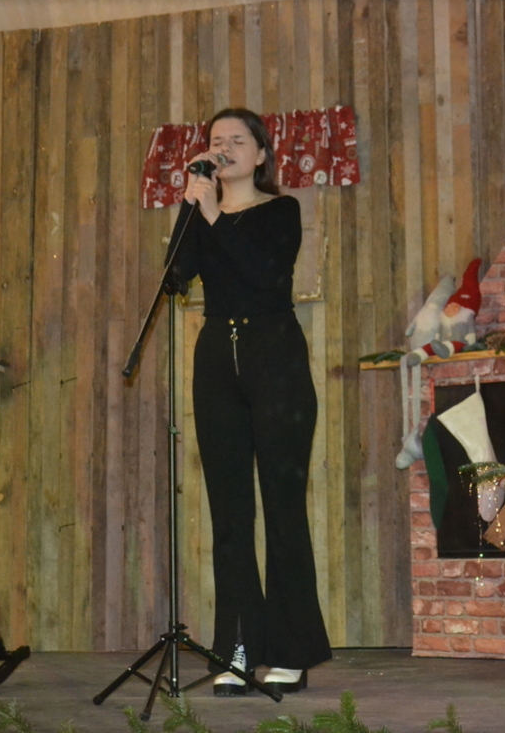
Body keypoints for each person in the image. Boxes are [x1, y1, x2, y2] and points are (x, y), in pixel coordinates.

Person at [165, 107, 332, 696]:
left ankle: (290, 651)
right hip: (216, 359)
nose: (225, 148)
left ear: (261, 154)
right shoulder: (201, 209)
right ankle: (237, 648)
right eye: (217, 140)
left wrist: (213, 214)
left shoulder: (280, 211)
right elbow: (176, 276)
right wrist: (192, 205)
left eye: (238, 140)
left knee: (283, 508)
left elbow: (264, 275)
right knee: (230, 516)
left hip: (274, 356)